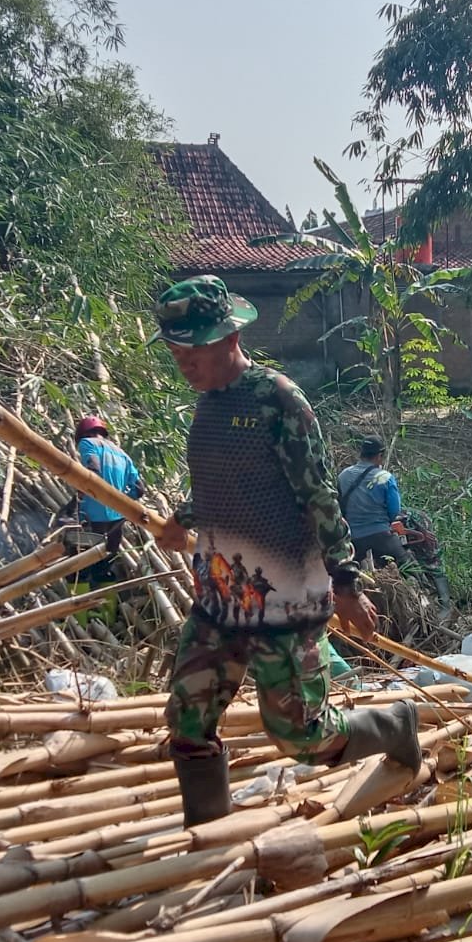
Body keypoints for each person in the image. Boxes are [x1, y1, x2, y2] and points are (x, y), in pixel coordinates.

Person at [149, 275, 422, 827]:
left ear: (228, 338)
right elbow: (222, 485)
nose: (183, 361)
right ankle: (208, 837)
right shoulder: (207, 408)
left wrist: (347, 587)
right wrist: (182, 520)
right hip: (221, 593)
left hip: (285, 599)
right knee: (188, 717)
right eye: (176, 349)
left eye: (192, 348)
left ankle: (396, 724)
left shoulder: (279, 400)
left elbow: (318, 494)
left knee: (302, 736)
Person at [72, 416, 143, 582]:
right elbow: (139, 489)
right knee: (105, 567)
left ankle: (80, 606)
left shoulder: (87, 443)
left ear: (82, 434)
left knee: (79, 569)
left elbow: (93, 469)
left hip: (93, 517)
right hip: (116, 521)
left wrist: (81, 494)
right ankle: (106, 606)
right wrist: (119, 502)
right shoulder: (123, 455)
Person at [337, 437, 412, 568]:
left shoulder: (343, 476)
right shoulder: (385, 477)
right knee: (409, 569)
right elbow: (394, 510)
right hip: (381, 537)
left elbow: (338, 507)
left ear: (361, 453)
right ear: (379, 456)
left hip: (353, 541)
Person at [394, 505, 451, 614]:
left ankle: (446, 605)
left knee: (432, 561)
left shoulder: (414, 517)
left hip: (409, 522)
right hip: (382, 527)